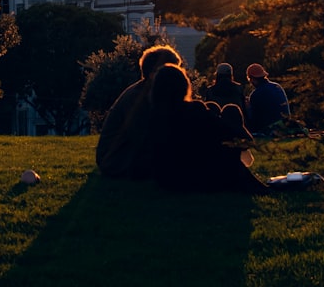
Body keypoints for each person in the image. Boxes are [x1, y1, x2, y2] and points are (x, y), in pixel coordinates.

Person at [149, 64, 268, 194]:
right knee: (230, 112)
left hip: (167, 180)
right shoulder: (194, 110)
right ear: (183, 86)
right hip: (198, 179)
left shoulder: (153, 117)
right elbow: (237, 138)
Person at [96, 44, 182, 179]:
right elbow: (144, 139)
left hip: (124, 157)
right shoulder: (137, 99)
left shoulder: (149, 93)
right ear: (154, 73)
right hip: (118, 160)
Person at [244, 63, 291, 136]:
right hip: (285, 124)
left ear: (252, 78)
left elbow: (255, 119)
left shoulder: (256, 94)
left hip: (269, 128)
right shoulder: (277, 86)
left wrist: (248, 107)